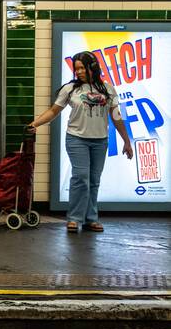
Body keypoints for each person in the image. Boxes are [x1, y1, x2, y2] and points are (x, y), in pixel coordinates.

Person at [27, 49, 134, 234]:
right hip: (77, 139)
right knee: (81, 178)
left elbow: (117, 116)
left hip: (100, 141)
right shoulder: (70, 89)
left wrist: (126, 141)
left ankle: (90, 219)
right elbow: (54, 111)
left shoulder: (108, 89)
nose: (79, 72)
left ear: (93, 67)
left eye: (82, 68)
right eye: (76, 69)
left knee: (94, 180)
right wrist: (35, 123)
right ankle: (75, 219)